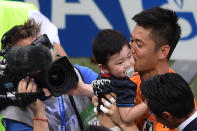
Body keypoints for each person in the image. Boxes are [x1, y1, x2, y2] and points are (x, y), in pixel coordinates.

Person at [93, 6, 196, 131]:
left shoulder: (174, 110)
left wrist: (123, 122)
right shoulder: (128, 77)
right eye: (130, 41)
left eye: (139, 44)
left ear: (163, 52)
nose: (129, 49)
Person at [0, 19, 97, 131]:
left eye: (44, 46)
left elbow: (119, 102)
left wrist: (87, 90)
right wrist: (38, 113)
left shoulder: (79, 75)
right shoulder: (17, 114)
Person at [91, 29, 147, 130]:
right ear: (104, 68)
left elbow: (94, 94)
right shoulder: (124, 86)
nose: (128, 64)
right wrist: (148, 103)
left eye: (129, 56)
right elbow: (126, 117)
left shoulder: (103, 75)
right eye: (120, 62)